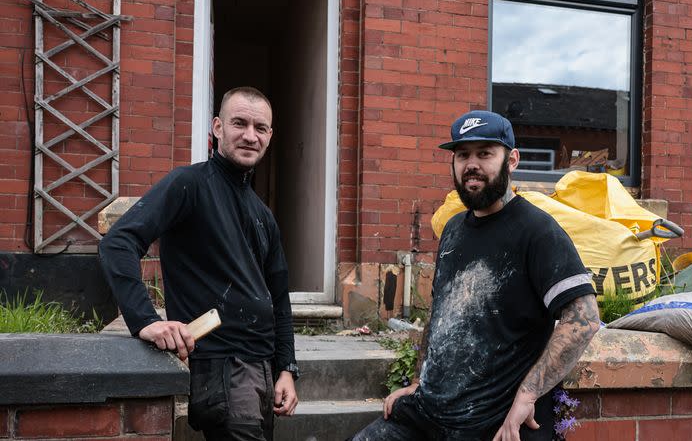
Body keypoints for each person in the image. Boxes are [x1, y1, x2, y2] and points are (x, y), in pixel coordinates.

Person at [352, 110, 600, 441]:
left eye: (485, 153)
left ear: (511, 160)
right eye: (463, 154)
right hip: (429, 414)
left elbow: (583, 319)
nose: (472, 164)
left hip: (489, 423)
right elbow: (441, 315)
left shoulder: (537, 231)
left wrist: (527, 396)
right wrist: (416, 381)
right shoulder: (454, 229)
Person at [99, 86, 298, 441]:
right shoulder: (188, 185)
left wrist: (286, 369)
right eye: (240, 123)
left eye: (260, 128)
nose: (250, 136)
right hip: (222, 369)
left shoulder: (263, 214)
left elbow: (278, 299)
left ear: (270, 136)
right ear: (218, 128)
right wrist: (144, 320)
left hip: (262, 370)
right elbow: (119, 242)